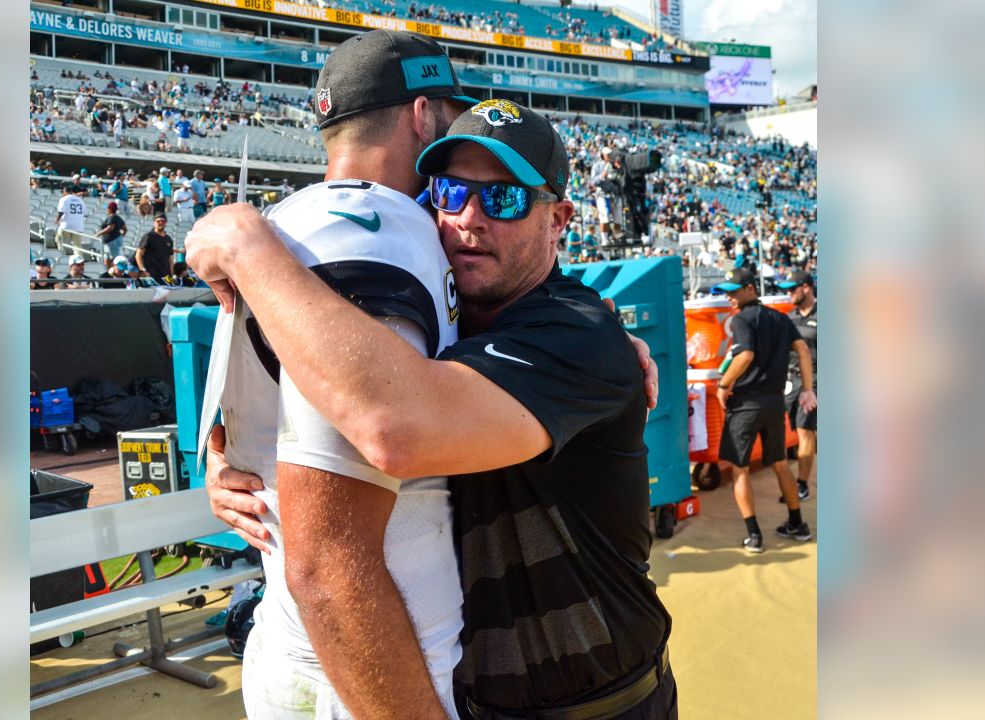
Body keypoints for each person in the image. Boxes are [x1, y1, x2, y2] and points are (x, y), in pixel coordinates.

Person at [190, 100, 675, 719]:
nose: (469, 219)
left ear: (558, 220)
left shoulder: (578, 334)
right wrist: (231, 462)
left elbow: (394, 427)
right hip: (477, 697)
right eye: (449, 193)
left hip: (599, 705)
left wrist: (245, 245)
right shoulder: (442, 331)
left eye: (503, 200)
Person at [185, 30, 478, 720]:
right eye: (449, 118)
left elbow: (233, 440)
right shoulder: (373, 231)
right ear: (420, 116)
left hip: (292, 637)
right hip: (382, 653)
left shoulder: (278, 226)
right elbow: (330, 560)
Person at [713, 267, 817, 553]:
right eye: (727, 293)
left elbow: (745, 355)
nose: (730, 298)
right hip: (774, 403)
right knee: (780, 463)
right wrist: (808, 388)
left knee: (740, 469)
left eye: (734, 292)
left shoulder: (742, 320)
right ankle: (797, 523)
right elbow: (804, 350)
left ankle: (754, 534)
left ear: (750, 289)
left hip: (746, 403)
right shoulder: (781, 318)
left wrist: (724, 383)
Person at [777, 269, 817, 502]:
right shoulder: (789, 318)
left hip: (816, 380)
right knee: (794, 431)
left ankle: (801, 484)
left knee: (805, 430)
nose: (788, 293)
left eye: (792, 288)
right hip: (790, 381)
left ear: (806, 287)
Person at [136, 213, 174, 280]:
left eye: (163, 221)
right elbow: (138, 254)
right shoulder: (149, 236)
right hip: (152, 275)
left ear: (166, 223)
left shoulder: (168, 239)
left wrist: (171, 274)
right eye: (158, 221)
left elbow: (170, 259)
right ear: (154, 223)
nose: (161, 223)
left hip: (165, 276)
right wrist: (143, 270)